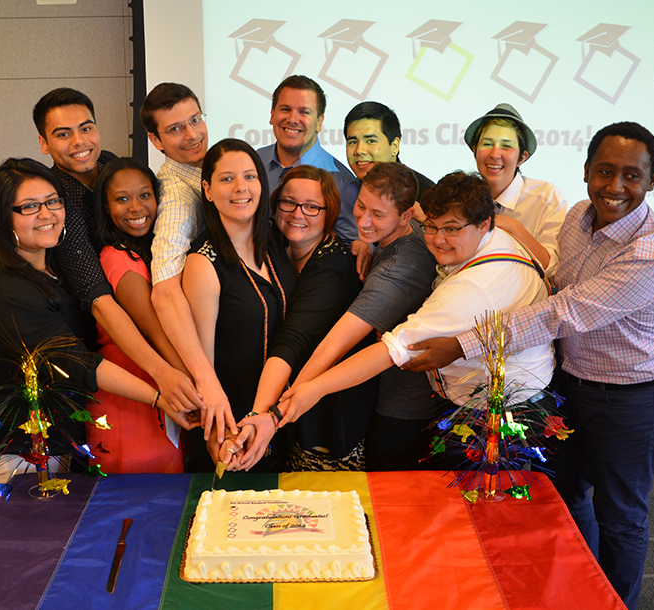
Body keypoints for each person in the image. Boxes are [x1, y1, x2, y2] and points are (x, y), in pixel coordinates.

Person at [403, 122, 654, 610]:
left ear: (652, 179)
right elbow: (554, 278)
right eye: (605, 171)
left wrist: (464, 343)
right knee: (565, 495)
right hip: (572, 383)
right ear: (586, 171)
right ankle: (581, 591)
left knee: (621, 518)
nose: (616, 186)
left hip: (633, 401)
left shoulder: (650, 254)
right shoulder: (577, 218)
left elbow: (563, 312)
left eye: (632, 175)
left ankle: (617, 604)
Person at [277, 171, 553, 462]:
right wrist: (365, 243)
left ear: (484, 223)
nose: (438, 239)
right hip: (501, 396)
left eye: (452, 229)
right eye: (432, 226)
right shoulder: (497, 237)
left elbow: (387, 351)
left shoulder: (467, 289)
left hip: (499, 419)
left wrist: (310, 390)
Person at [0, 158, 191, 473]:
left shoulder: (52, 256)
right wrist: (161, 396)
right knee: (38, 505)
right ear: (2, 215)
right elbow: (75, 361)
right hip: (15, 431)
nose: (46, 214)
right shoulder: (0, 287)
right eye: (29, 206)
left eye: (53, 201)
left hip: (60, 412)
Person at [32, 88, 202, 416]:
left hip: (148, 314)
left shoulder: (109, 162)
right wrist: (169, 372)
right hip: (101, 339)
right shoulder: (58, 202)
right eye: (63, 134)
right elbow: (98, 300)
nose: (79, 141)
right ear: (44, 143)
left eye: (86, 128)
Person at [276, 162, 437, 471]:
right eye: (361, 206)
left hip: (401, 410)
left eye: (378, 215)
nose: (363, 220)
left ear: (406, 215)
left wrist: (289, 398)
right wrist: (366, 244)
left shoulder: (398, 269)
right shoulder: (403, 234)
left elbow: (337, 342)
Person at [225, 166, 376, 472]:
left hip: (327, 415)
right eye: (288, 202)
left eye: (312, 207)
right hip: (286, 401)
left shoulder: (334, 268)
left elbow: (293, 338)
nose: (297, 214)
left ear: (330, 213)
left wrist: (258, 415)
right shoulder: (276, 247)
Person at [182, 139, 297, 471]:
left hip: (281, 418)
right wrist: (219, 436)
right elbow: (203, 366)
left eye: (249, 176)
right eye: (227, 179)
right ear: (207, 190)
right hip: (235, 431)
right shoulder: (203, 263)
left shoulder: (274, 240)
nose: (240, 188)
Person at [89, 157, 199, 472]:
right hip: (131, 392)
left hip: (160, 385)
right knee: (140, 488)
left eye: (145, 195)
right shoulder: (117, 257)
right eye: (122, 199)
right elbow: (156, 333)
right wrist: (197, 386)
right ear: (106, 207)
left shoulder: (152, 251)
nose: (136, 208)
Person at [140, 84, 235, 444]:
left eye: (195, 120)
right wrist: (205, 378)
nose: (193, 134)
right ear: (156, 140)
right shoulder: (179, 197)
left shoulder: (210, 173)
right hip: (214, 359)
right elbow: (164, 292)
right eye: (176, 128)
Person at [464, 103, 567, 278]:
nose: (495, 154)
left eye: (506, 146)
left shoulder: (546, 198)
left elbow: (551, 268)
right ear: (475, 151)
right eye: (487, 144)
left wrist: (513, 227)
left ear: (522, 157)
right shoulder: (463, 197)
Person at [257, 75, 360, 244]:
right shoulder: (253, 163)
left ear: (319, 122)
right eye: (285, 109)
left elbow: (352, 247)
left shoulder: (342, 183)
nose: (292, 119)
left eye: (304, 112)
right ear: (272, 114)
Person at [344, 101, 434, 199]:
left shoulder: (425, 195)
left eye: (371, 141)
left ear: (395, 146)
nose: (359, 150)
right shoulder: (345, 191)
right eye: (353, 142)